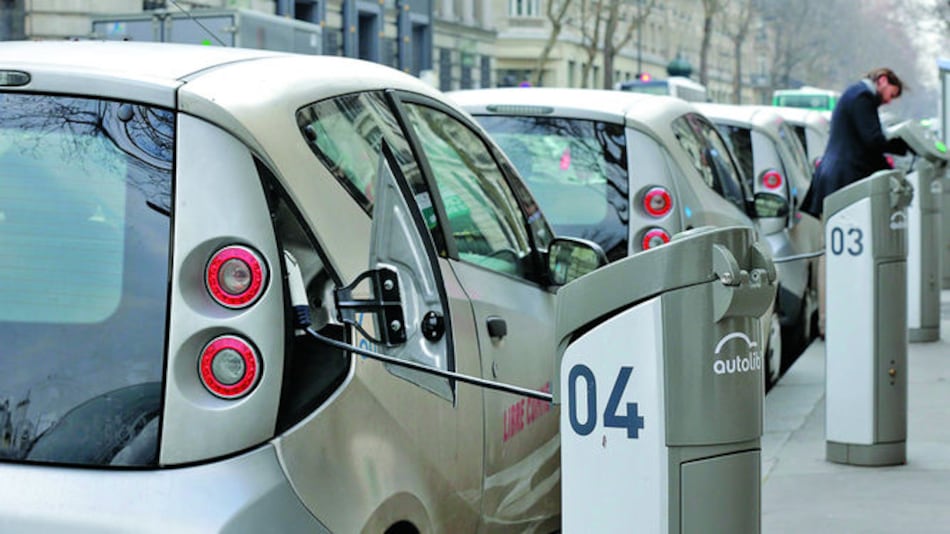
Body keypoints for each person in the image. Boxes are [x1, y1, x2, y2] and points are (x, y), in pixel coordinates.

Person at [801, 67, 910, 338]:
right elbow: (871, 141)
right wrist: (902, 146)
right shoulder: (863, 97)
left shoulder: (854, 94)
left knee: (836, 251)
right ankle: (828, 321)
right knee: (832, 252)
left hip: (839, 177)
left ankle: (836, 317)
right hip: (842, 180)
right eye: (890, 95)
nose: (887, 101)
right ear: (882, 81)